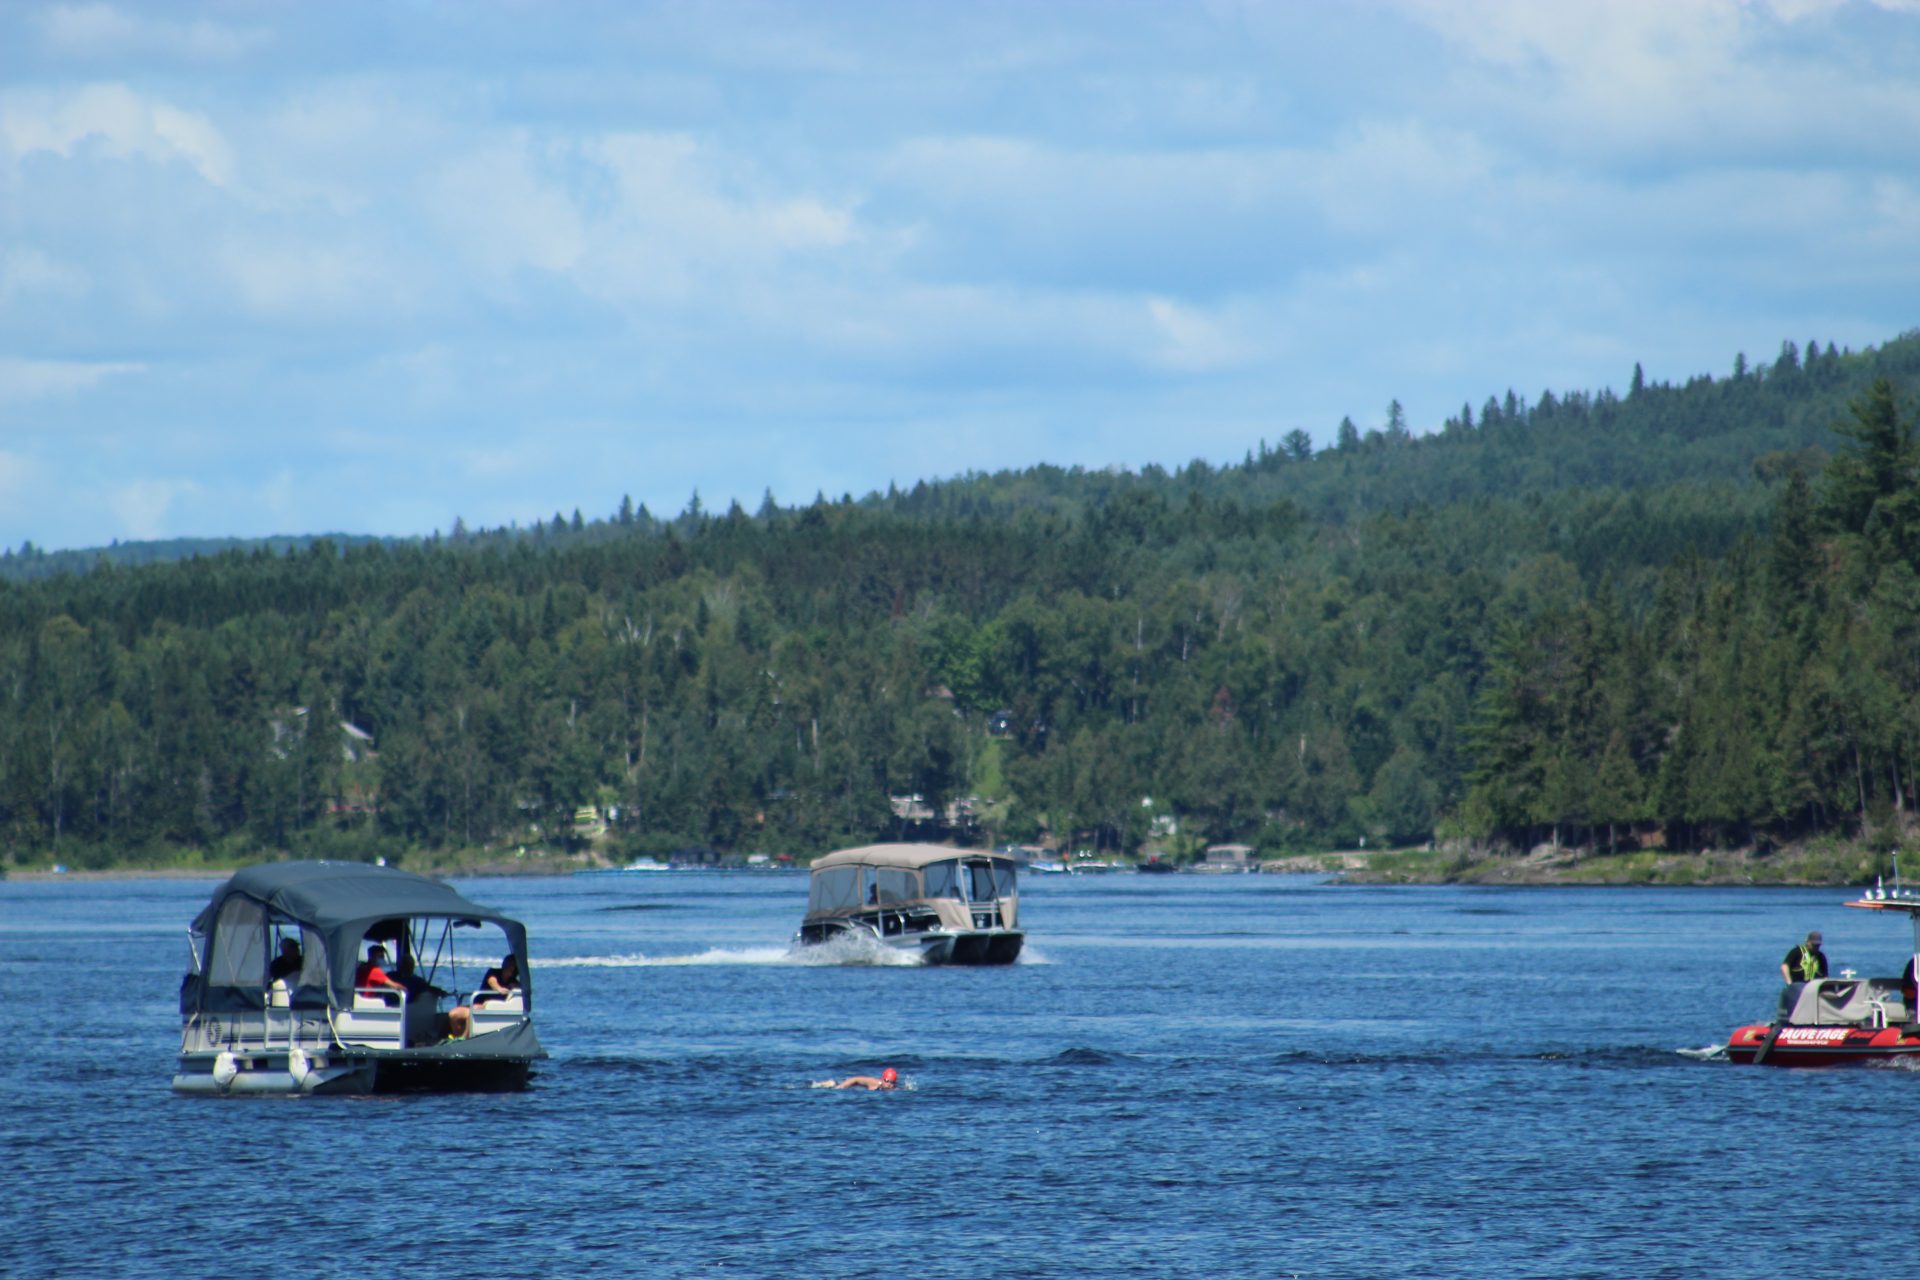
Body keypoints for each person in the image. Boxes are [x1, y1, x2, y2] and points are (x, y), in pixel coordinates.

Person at [813, 1067, 898, 1090]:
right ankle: (831, 1083)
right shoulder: (874, 1082)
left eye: (892, 1082)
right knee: (835, 1086)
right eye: (887, 1081)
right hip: (851, 1083)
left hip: (856, 1088)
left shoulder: (891, 1088)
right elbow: (855, 1079)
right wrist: (840, 1087)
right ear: (882, 1079)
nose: (889, 1085)